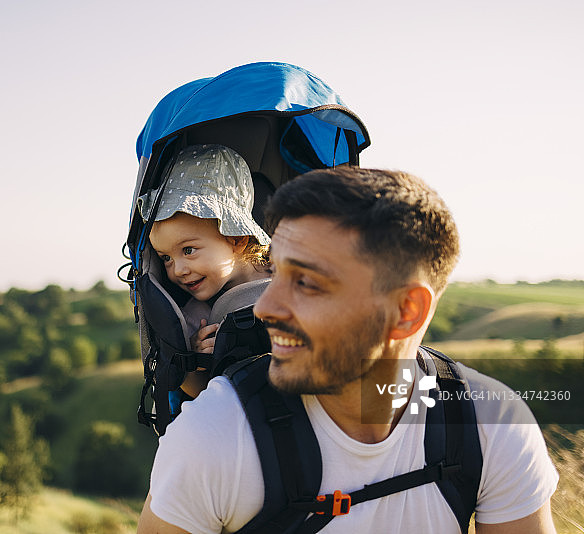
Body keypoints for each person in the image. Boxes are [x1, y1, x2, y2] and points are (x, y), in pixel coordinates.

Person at [137, 167, 559, 533]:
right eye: (277, 274)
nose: (264, 308)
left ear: (407, 312)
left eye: (306, 283)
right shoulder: (215, 436)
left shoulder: (491, 423)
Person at [140, 144, 271, 398]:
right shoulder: (196, 319)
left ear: (237, 239)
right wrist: (196, 364)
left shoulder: (284, 270)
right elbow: (198, 392)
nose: (178, 270)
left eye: (188, 250)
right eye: (165, 258)